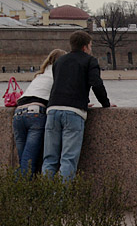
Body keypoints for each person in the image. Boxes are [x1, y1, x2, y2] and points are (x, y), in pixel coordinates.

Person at [42, 30, 114, 180]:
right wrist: (105, 104)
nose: (90, 49)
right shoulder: (90, 61)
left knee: (49, 159)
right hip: (73, 112)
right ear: (85, 47)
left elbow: (62, 84)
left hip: (53, 109)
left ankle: (45, 199)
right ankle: (61, 202)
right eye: (90, 45)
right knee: (68, 160)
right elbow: (96, 84)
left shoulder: (59, 61)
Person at [12, 48, 66, 176]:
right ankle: (22, 192)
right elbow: (63, 95)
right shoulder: (58, 74)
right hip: (35, 114)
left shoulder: (40, 75)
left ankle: (17, 190)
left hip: (18, 114)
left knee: (23, 160)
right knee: (28, 161)